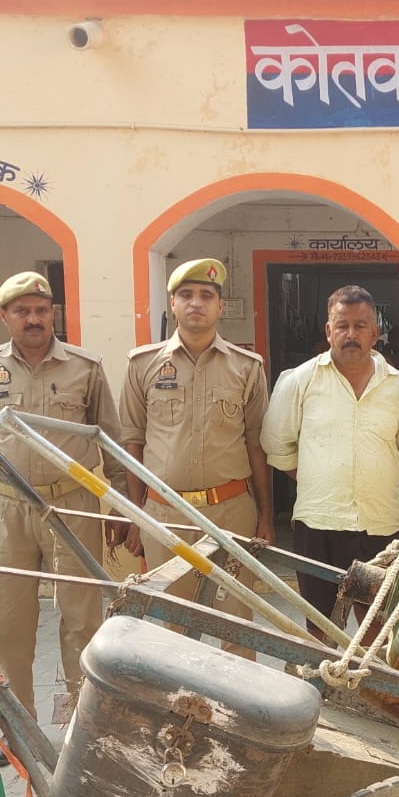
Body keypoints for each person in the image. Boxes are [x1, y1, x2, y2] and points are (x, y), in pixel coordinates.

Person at [0, 271, 126, 723]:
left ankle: (84, 726)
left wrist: (121, 506)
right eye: (22, 311)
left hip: (72, 506)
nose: (34, 319)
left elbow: (111, 440)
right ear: (4, 316)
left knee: (83, 622)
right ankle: (16, 726)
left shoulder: (85, 368)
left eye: (42, 311)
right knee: (8, 624)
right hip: (5, 508)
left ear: (53, 314)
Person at [121, 258, 272, 653]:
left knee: (237, 623)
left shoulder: (247, 367)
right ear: (172, 303)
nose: (196, 303)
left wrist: (266, 516)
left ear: (220, 306)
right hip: (165, 513)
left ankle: (237, 694)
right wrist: (136, 515)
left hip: (231, 512)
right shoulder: (143, 365)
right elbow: (132, 442)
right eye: (186, 294)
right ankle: (180, 694)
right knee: (174, 622)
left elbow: (257, 445)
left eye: (206, 295)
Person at [262, 285, 399, 634]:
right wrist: (320, 479)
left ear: (375, 332)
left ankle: (371, 674)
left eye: (360, 326)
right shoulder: (300, 381)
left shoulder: (397, 387)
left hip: (379, 526)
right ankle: (323, 672)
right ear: (328, 330)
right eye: (342, 325)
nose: (351, 334)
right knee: (320, 629)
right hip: (318, 525)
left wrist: (368, 475)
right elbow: (277, 446)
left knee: (378, 630)